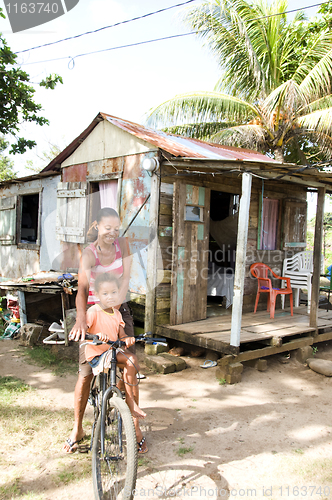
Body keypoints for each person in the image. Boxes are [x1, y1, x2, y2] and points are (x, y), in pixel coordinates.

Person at [64, 207, 148, 454]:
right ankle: (78, 427)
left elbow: (124, 283)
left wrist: (116, 314)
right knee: (85, 371)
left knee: (128, 364)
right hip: (92, 311)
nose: (112, 233)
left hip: (119, 310)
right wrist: (81, 318)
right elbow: (81, 290)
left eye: (116, 228)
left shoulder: (125, 246)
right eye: (107, 227)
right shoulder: (89, 254)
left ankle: (134, 426)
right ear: (97, 226)